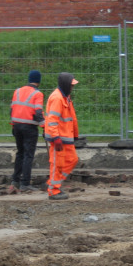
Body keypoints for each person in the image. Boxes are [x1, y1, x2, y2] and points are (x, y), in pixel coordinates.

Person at [44, 72, 79, 200]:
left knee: (72, 160)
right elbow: (52, 120)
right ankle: (53, 190)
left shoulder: (65, 97)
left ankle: (53, 183)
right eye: (71, 85)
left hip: (65, 138)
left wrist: (74, 135)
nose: (72, 88)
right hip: (59, 139)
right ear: (65, 84)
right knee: (57, 164)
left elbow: (70, 118)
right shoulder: (58, 98)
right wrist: (56, 138)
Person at [9, 70, 44, 193]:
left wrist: (13, 125)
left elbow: (12, 109)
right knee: (28, 155)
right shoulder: (37, 94)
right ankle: (25, 183)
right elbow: (38, 112)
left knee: (20, 153)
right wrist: (44, 126)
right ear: (38, 81)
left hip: (17, 126)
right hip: (29, 128)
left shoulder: (17, 91)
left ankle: (15, 181)